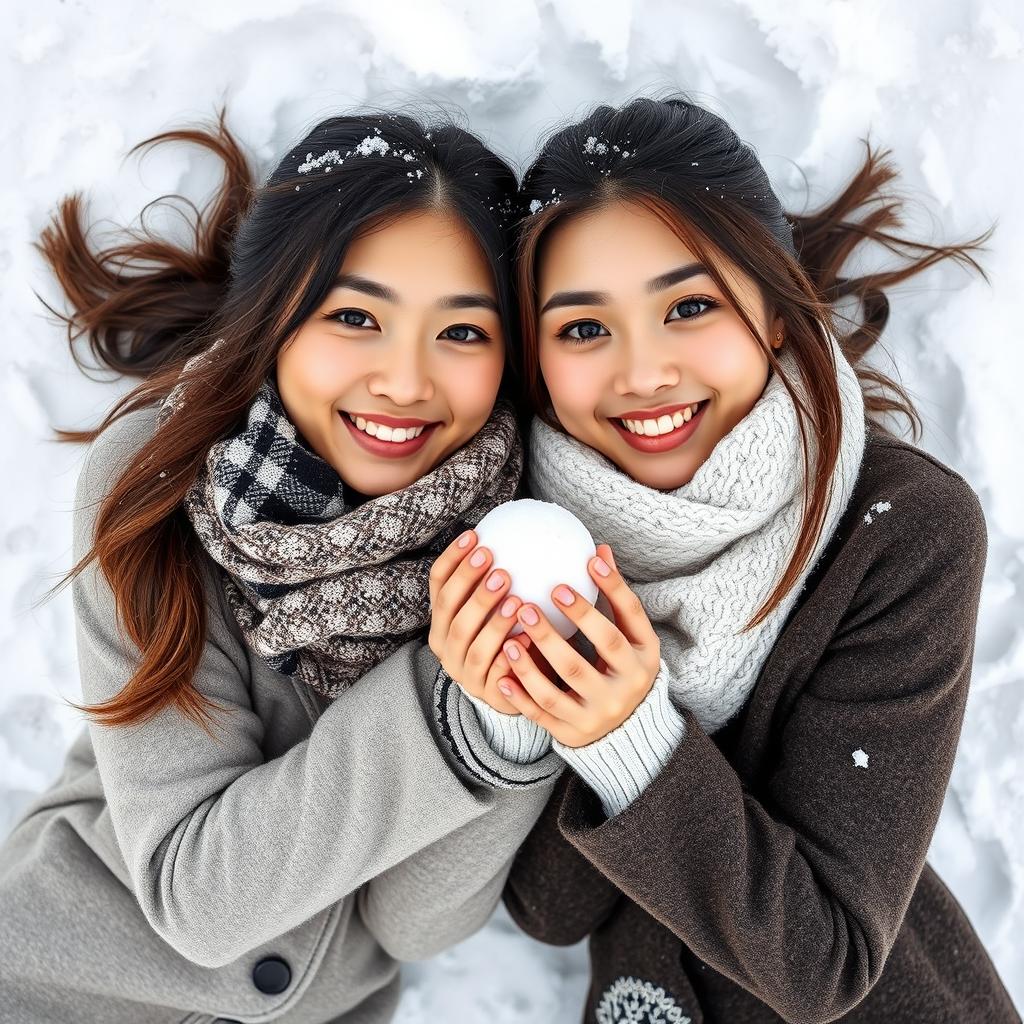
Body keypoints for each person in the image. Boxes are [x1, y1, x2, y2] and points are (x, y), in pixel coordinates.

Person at [0, 108, 563, 1024]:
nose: (406, 381)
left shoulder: (513, 548)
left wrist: (499, 717)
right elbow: (199, 897)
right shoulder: (162, 484)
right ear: (276, 322)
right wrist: (440, 693)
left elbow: (413, 927)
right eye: (354, 317)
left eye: (462, 332)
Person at [469, 95, 1019, 1022]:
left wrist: (627, 738)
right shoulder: (534, 540)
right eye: (583, 328)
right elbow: (553, 912)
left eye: (689, 306)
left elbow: (825, 961)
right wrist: (527, 715)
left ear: (769, 311)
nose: (643, 371)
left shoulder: (900, 532)